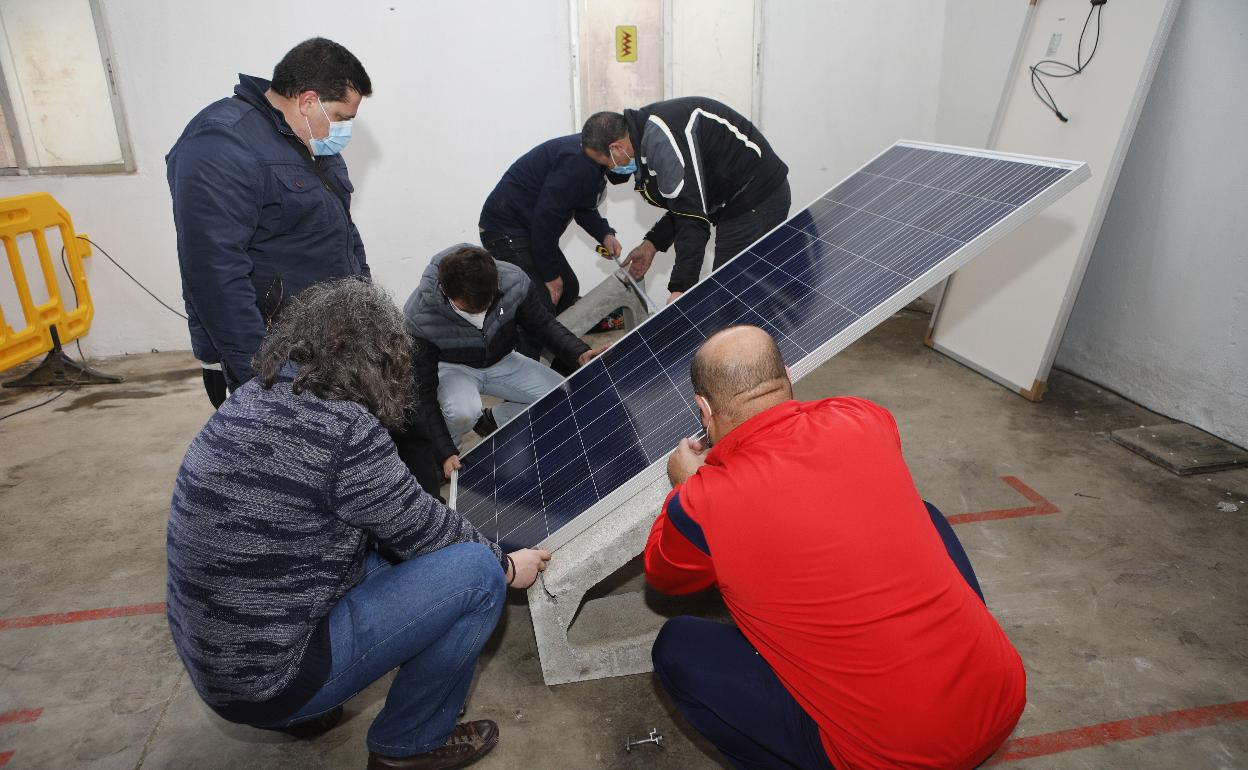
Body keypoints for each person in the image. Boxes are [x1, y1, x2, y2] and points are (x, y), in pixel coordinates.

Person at [166, 278, 551, 770]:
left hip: (217, 659)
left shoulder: (250, 398)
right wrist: (507, 565)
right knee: (475, 573)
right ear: (380, 361)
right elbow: (427, 530)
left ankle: (307, 709)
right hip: (266, 680)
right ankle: (410, 744)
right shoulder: (344, 428)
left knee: (376, 552)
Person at [645, 325, 1026, 769]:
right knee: (926, 515)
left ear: (704, 409)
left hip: (891, 759)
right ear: (787, 375)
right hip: (1000, 704)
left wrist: (685, 486)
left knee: (678, 647)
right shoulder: (864, 416)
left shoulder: (702, 503)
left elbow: (665, 576)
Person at [166, 38, 372, 406]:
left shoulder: (313, 143)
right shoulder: (221, 143)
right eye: (341, 117)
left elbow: (343, 234)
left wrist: (364, 309)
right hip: (274, 353)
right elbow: (214, 272)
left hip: (326, 344)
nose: (344, 130)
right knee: (278, 458)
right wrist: (261, 376)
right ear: (308, 101)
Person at [401, 245, 606, 485]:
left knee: (561, 396)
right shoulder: (419, 316)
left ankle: (492, 420)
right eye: (469, 310)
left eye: (487, 305)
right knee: (462, 413)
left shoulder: (513, 281)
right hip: (452, 368)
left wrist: (580, 352)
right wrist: (444, 452)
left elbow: (543, 326)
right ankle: (447, 460)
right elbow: (423, 392)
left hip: (502, 359)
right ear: (445, 291)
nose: (479, 316)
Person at [581, 98, 790, 304]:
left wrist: (680, 289)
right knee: (735, 295)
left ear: (616, 148)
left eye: (605, 162)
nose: (610, 169)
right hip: (739, 202)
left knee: (730, 299)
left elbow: (692, 219)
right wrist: (652, 244)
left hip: (757, 198)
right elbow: (683, 204)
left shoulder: (662, 140)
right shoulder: (646, 133)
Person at [478, 134, 626, 333]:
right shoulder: (576, 162)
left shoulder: (595, 159)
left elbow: (583, 207)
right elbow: (545, 219)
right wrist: (550, 276)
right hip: (505, 229)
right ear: (615, 147)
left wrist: (605, 235)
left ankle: (558, 354)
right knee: (540, 302)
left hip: (531, 228)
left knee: (569, 289)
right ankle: (528, 359)